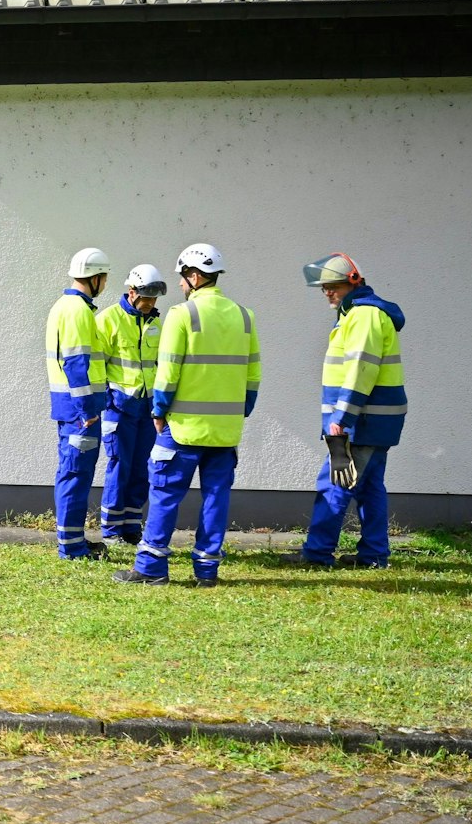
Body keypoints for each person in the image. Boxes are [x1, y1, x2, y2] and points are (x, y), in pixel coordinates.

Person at [115, 243, 260, 588]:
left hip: (182, 427)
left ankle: (151, 569)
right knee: (216, 498)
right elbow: (253, 376)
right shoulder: (245, 316)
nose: (180, 284)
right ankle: (207, 572)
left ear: (194, 276)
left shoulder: (182, 315)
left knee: (165, 493)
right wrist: (240, 413)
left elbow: (167, 372)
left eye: (182, 277)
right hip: (225, 431)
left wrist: (159, 411)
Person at [284, 253, 406, 569]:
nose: (327, 292)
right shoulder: (358, 313)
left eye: (333, 285)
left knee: (335, 483)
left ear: (353, 282)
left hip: (362, 420)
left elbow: (361, 370)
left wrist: (342, 419)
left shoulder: (364, 315)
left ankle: (317, 554)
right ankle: (375, 556)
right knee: (368, 488)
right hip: (375, 419)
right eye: (324, 287)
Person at [46, 247, 112, 560]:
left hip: (74, 409)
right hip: (79, 412)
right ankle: (72, 548)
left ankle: (74, 543)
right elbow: (76, 363)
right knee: (75, 474)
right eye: (104, 277)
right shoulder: (77, 310)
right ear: (96, 278)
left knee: (74, 473)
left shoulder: (69, 306)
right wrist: (88, 411)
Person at [94, 264, 166, 548]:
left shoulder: (157, 323)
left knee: (141, 467)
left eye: (153, 298)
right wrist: (105, 398)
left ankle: (131, 527)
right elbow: (96, 363)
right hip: (118, 407)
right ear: (131, 291)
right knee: (119, 465)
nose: (150, 303)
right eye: (145, 297)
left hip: (147, 407)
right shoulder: (109, 319)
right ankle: (111, 531)